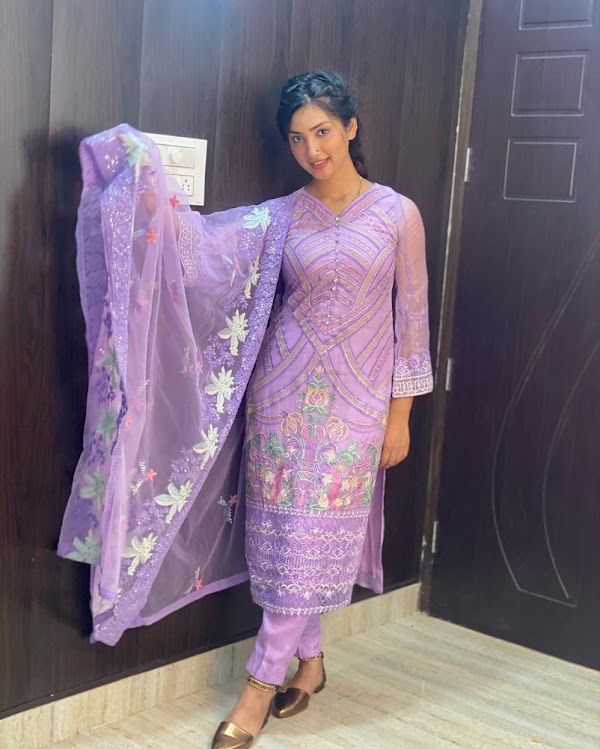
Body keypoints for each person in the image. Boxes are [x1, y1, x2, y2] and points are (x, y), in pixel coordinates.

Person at [57, 71, 432, 749]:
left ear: (351, 127)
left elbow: (412, 321)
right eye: (297, 138)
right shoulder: (282, 215)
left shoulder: (397, 213)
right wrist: (148, 188)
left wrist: (400, 416)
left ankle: (259, 685)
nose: (312, 150)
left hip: (355, 409)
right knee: (288, 545)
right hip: (280, 400)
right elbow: (204, 250)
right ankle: (310, 664)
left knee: (313, 541)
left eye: (323, 131)